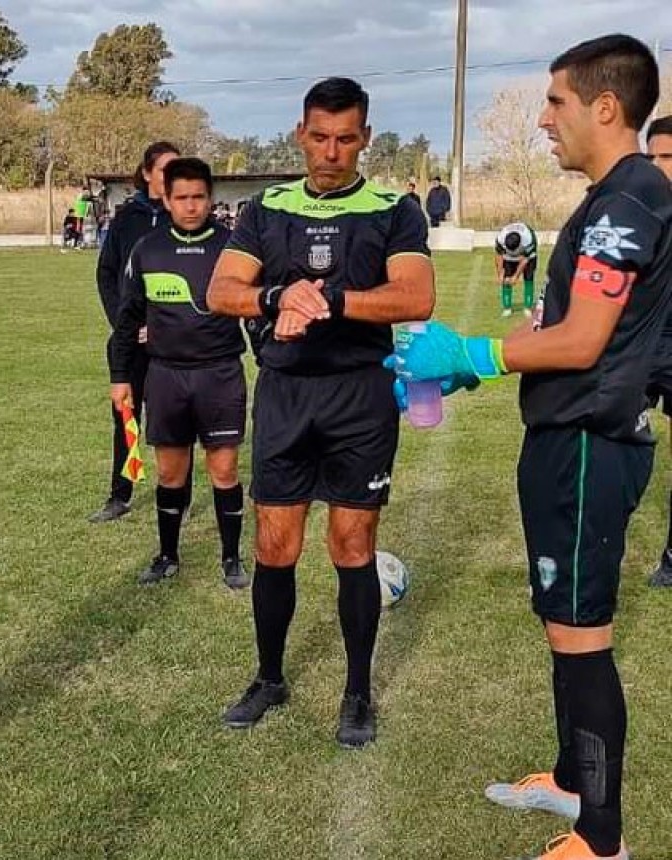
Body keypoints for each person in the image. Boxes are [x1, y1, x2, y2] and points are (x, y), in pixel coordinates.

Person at [388, 35, 671, 860]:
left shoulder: (629, 200)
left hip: (588, 444)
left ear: (603, 107)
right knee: (560, 622)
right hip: (565, 438)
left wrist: (473, 354)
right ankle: (572, 779)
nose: (544, 119)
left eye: (554, 102)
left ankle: (603, 839)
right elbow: (562, 326)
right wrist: (478, 368)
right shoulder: (609, 196)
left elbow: (583, 342)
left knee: (581, 633)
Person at [207, 77, 434, 748]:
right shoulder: (265, 210)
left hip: (359, 396)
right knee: (275, 545)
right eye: (319, 137)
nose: (331, 151)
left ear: (365, 139)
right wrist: (278, 298)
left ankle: (357, 691)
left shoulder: (395, 209)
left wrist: (333, 301)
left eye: (346, 139)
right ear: (299, 134)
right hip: (284, 394)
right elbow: (223, 290)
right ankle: (270, 677)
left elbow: (415, 296)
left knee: (352, 546)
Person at [110, 158, 249, 589]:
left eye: (199, 197)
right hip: (166, 376)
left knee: (224, 470)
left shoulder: (234, 248)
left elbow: (254, 310)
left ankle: (231, 558)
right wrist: (120, 377)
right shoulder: (147, 249)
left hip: (220, 374)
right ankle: (167, 555)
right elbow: (127, 319)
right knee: (171, 474)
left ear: (210, 199)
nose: (191, 207)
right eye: (182, 198)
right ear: (166, 199)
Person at [90, 141, 183, 523]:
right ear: (146, 174)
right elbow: (106, 273)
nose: (173, 179)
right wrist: (126, 326)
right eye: (165, 171)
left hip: (174, 341)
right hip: (131, 340)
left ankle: (179, 494)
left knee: (176, 420)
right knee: (126, 416)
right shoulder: (128, 218)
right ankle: (120, 494)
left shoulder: (186, 217)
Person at [644, 115, 672, 587]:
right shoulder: (638, 211)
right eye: (652, 158)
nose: (658, 167)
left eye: (668, 157)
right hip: (641, 344)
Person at [495, 220, 539, 317]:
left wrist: (516, 276)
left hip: (528, 258)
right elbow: (499, 255)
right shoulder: (500, 238)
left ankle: (528, 307)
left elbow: (524, 260)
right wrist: (500, 274)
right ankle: (507, 308)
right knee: (506, 280)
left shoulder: (529, 239)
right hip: (508, 257)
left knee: (529, 278)